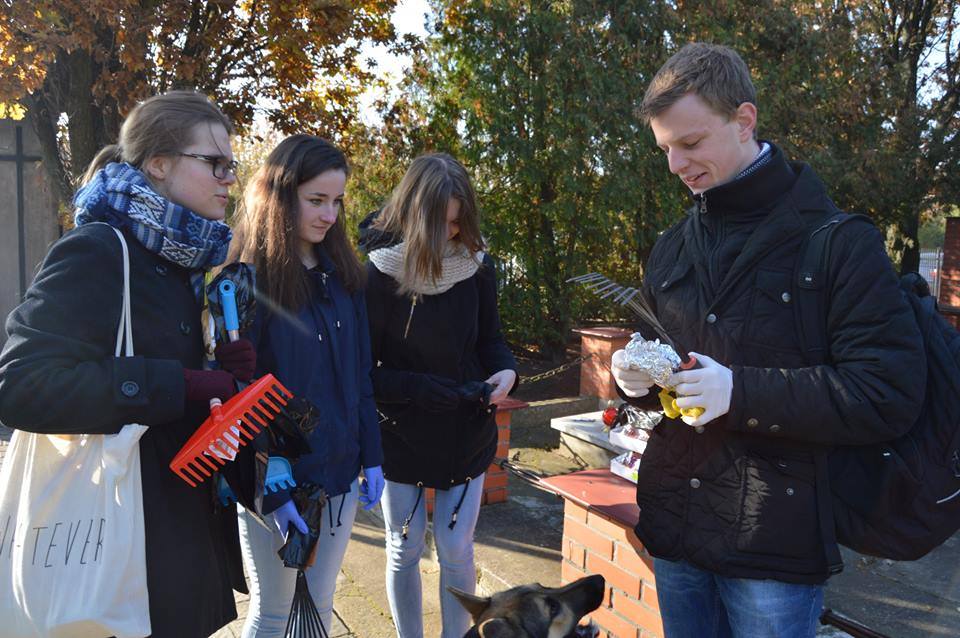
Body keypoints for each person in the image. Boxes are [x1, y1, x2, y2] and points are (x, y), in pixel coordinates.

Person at [610, 43, 926, 638]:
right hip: (676, 527)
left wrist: (741, 393)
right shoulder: (672, 246)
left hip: (772, 544)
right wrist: (634, 380)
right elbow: (666, 368)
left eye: (690, 142)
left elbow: (887, 391)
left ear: (744, 120)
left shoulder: (837, 243)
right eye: (666, 149)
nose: (676, 164)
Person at [0, 90, 252, 637]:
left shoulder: (185, 262)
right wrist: (178, 383)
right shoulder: (98, 250)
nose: (230, 178)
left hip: (178, 540)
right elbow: (20, 386)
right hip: (115, 542)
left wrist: (223, 381)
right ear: (158, 164)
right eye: (215, 163)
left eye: (230, 165)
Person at [228, 134, 385, 637]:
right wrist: (269, 487)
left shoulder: (345, 279)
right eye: (317, 200)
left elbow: (360, 376)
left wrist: (372, 454)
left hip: (339, 473)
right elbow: (237, 393)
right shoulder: (247, 282)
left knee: (319, 603)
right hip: (277, 480)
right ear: (281, 194)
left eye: (337, 201)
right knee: (274, 612)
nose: (330, 215)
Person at [359, 153, 518, 638]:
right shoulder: (378, 275)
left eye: (459, 222)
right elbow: (364, 373)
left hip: (465, 428)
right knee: (403, 548)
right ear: (414, 215)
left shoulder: (478, 266)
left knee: (456, 549)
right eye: (443, 223)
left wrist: (507, 372)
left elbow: (491, 340)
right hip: (400, 432)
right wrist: (419, 389)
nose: (453, 233)